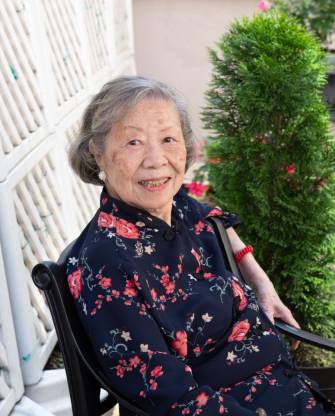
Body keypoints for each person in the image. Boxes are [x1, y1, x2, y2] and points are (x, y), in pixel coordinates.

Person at [66, 75, 331, 415]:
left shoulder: (177, 206)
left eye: (168, 139)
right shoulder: (104, 266)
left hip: (282, 384)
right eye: (133, 142)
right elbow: (171, 397)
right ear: (96, 153)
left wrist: (261, 283)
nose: (156, 159)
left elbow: (215, 218)